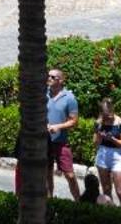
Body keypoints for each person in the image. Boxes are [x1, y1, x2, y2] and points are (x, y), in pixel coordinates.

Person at [46, 65, 82, 200]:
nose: (49, 79)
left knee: (70, 175)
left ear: (61, 81)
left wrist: (58, 127)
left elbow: (74, 121)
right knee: (47, 173)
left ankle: (79, 202)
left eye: (53, 77)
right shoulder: (44, 94)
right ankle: (49, 202)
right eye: (48, 76)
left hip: (61, 143)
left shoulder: (69, 98)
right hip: (45, 141)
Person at [93, 96, 121, 204]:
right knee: (106, 190)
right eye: (105, 115)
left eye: (109, 115)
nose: (108, 118)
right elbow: (95, 143)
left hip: (118, 156)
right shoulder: (98, 123)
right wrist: (99, 135)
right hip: (103, 155)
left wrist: (112, 139)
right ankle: (111, 215)